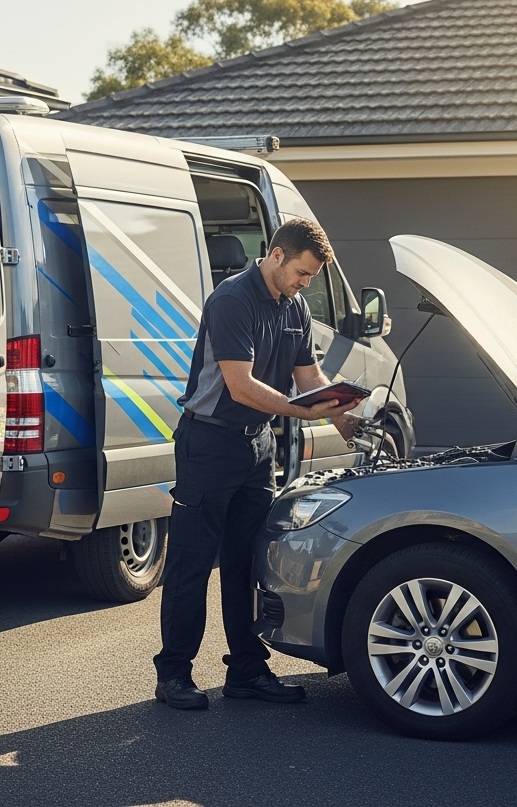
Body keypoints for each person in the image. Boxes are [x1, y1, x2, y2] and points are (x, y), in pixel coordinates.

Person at [154, 217, 361, 710]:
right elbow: (240, 385)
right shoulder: (232, 299)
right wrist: (300, 412)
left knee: (248, 562)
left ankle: (246, 670)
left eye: (311, 277)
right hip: (209, 443)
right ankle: (173, 674)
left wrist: (343, 416)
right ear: (276, 255)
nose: (305, 284)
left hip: (257, 446)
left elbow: (309, 378)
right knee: (191, 563)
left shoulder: (295, 307)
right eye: (302, 273)